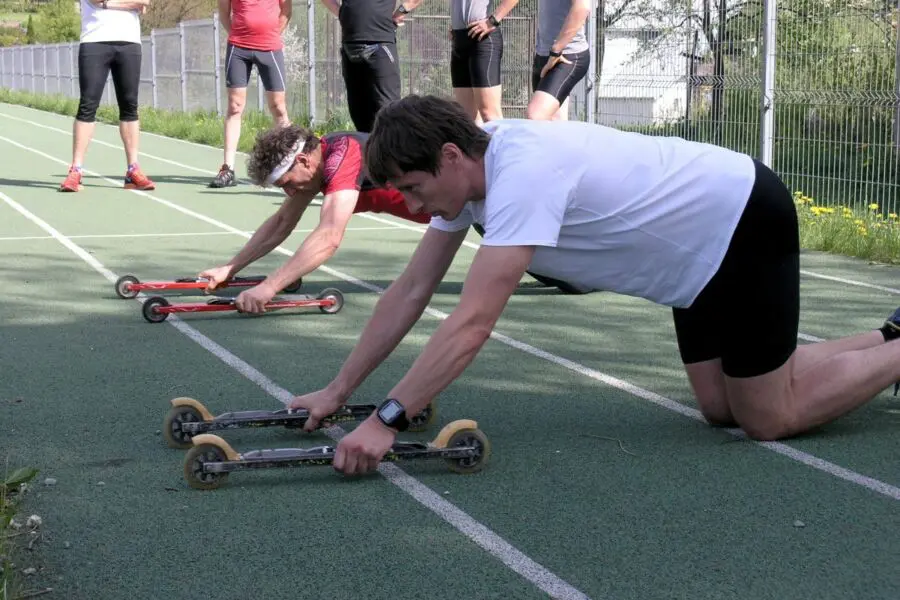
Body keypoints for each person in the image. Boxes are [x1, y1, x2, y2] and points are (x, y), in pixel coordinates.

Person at [288, 94, 900, 476]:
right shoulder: (469, 180)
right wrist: (338, 390)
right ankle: (886, 336)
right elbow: (411, 291)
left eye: (415, 189)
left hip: (738, 221)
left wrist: (389, 419)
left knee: (767, 417)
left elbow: (472, 323)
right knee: (720, 410)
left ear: (450, 155)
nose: (416, 205)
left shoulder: (521, 172)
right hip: (692, 262)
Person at [198, 124, 431, 311]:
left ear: (302, 160)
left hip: (458, 204)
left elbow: (329, 236)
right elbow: (281, 223)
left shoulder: (342, 159)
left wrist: (269, 287)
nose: (289, 192)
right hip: (443, 213)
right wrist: (230, 268)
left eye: (286, 183)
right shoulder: (319, 159)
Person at [59, 0, 156, 193]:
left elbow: (144, 3)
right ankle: (76, 170)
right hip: (94, 40)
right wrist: (128, 3)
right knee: (88, 105)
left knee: (130, 106)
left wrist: (107, 4)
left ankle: (133, 170)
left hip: (129, 42)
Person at [209, 0, 293, 188]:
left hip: (270, 47)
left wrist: (271, 35)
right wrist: (238, 35)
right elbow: (224, 13)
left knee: (278, 108)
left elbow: (286, 10)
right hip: (238, 48)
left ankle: (290, 165)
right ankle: (227, 169)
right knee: (234, 106)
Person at [319, 0, 420, 132]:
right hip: (350, 46)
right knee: (359, 113)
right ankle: (368, 151)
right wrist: (342, 12)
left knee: (389, 113)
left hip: (380, 43)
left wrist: (402, 10)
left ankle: (392, 151)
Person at [449, 0, 519, 124]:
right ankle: (478, 144)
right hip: (459, 39)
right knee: (466, 119)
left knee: (490, 115)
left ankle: (502, 143)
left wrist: (493, 21)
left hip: (483, 39)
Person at [527, 0, 591, 121]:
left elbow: (582, 7)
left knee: (536, 115)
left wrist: (556, 50)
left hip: (567, 55)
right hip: (543, 54)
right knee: (555, 119)